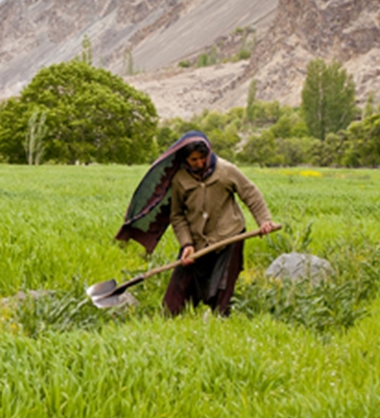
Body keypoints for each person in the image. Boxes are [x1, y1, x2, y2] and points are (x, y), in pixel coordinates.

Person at [115, 131, 277, 316]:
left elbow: (250, 194)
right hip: (196, 241)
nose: (200, 163)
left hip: (229, 236)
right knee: (178, 288)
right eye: (194, 160)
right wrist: (187, 244)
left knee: (222, 286)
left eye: (203, 158)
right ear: (185, 159)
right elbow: (177, 216)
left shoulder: (226, 171)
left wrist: (264, 221)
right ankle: (167, 321)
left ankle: (220, 322)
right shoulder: (180, 179)